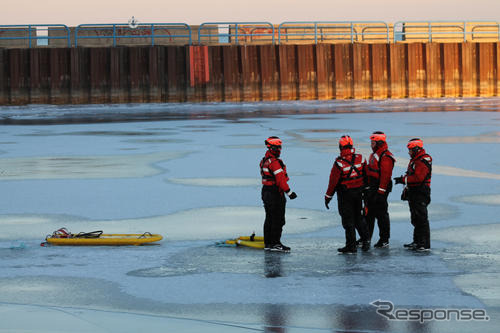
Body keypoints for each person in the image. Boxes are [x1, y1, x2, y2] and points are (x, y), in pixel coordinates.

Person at [324, 135, 370, 253]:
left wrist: (328, 197)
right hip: (360, 194)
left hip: (345, 196)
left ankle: (351, 246)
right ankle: (366, 240)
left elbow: (333, 182)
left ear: (340, 147)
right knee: (359, 218)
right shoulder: (361, 158)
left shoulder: (339, 163)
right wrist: (366, 191)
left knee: (348, 220)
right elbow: (366, 176)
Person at [394, 138, 432, 252]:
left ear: (416, 149)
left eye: (410, 150)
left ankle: (424, 244)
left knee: (421, 218)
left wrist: (403, 180)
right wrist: (404, 181)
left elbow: (419, 178)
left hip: (421, 192)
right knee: (415, 218)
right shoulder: (416, 159)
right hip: (414, 192)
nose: (409, 152)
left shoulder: (422, 160)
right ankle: (417, 241)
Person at [260, 136, 297, 252]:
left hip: (266, 192)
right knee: (278, 219)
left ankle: (269, 243)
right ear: (271, 148)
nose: (279, 150)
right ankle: (275, 243)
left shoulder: (264, 160)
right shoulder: (274, 163)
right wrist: (289, 192)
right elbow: (280, 180)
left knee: (269, 218)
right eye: (277, 147)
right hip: (275, 193)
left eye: (280, 147)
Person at [363, 131, 395, 248]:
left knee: (381, 214)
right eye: (371, 142)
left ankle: (384, 239)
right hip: (372, 187)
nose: (371, 145)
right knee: (368, 214)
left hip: (380, 189)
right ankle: (366, 238)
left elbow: (386, 176)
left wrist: (381, 192)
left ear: (379, 143)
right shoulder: (374, 155)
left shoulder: (386, 156)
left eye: (373, 142)